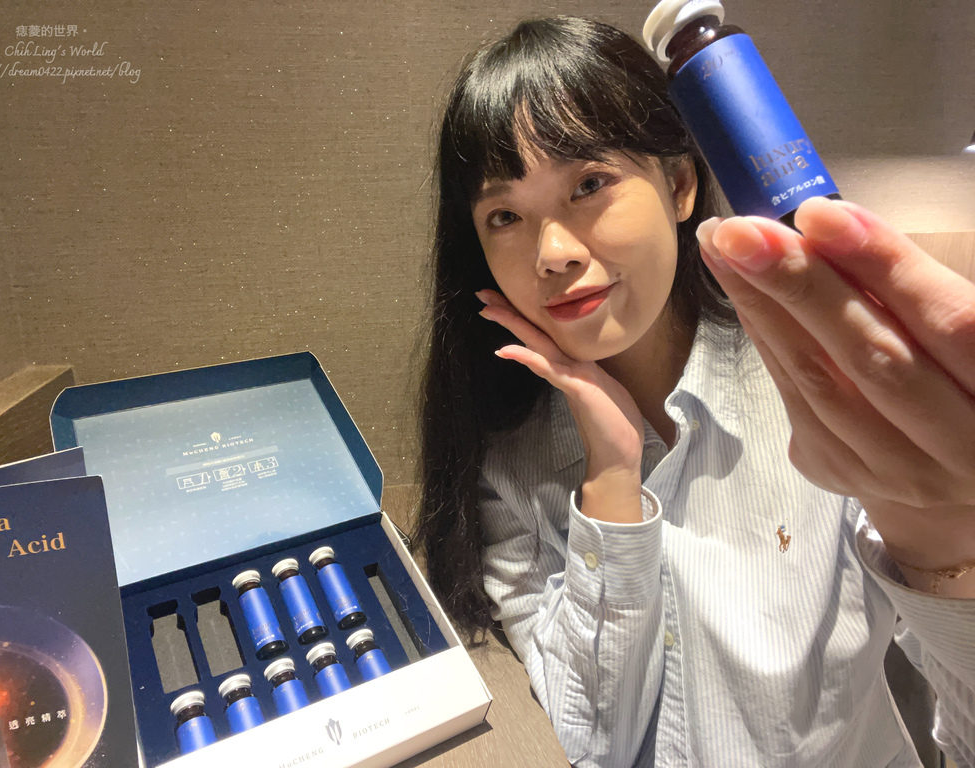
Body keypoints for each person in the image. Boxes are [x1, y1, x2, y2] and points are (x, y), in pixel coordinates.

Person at [413, 15, 975, 768]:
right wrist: (612, 477)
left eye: (588, 184)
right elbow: (588, 746)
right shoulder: (507, 456)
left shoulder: (816, 390)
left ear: (679, 185)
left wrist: (944, 545)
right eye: (505, 215)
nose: (553, 253)